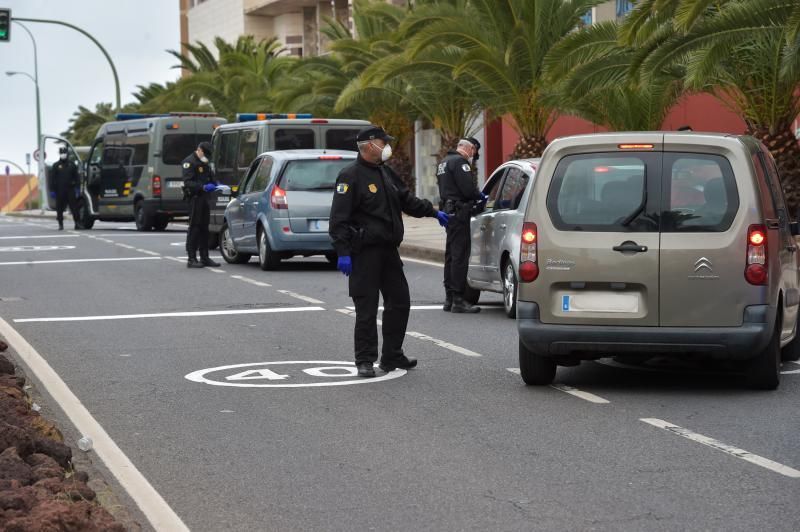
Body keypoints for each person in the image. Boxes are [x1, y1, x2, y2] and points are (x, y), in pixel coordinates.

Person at [329, 126, 449, 378]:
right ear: (370, 144)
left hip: (389, 252)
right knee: (367, 309)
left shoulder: (386, 172)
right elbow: (339, 219)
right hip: (364, 253)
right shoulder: (350, 176)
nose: (387, 146)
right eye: (384, 142)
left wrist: (433, 211)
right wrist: (343, 252)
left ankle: (392, 354)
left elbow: (406, 200)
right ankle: (364, 359)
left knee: (400, 302)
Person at [436, 138, 486, 313]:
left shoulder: (444, 162)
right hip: (459, 213)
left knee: (451, 256)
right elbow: (467, 190)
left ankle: (449, 298)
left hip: (449, 212)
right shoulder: (460, 162)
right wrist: (480, 197)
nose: (475, 155)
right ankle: (458, 299)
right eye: (475, 151)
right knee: (459, 256)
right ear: (470, 148)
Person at [182, 141, 220, 269]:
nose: (207, 158)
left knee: (204, 228)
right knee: (194, 228)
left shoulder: (205, 161)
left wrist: (216, 184)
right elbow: (188, 182)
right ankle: (191, 258)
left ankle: (205, 257)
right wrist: (203, 187)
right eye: (206, 154)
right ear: (200, 150)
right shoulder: (189, 162)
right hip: (195, 198)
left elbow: (211, 176)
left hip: (205, 199)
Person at [51, 146, 80, 231]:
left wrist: (77, 188)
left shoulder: (72, 164)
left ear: (67, 154)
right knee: (59, 208)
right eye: (61, 153)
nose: (63, 154)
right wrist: (53, 190)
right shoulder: (56, 165)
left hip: (70, 189)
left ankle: (77, 223)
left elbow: (77, 177)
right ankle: (60, 224)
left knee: (74, 207)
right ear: (59, 154)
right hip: (60, 190)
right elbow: (53, 179)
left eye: (64, 153)